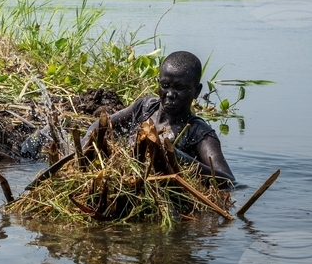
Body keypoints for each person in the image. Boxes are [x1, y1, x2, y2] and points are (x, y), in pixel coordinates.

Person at [85, 51, 236, 185]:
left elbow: (228, 180)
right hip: (127, 181)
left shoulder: (199, 133)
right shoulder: (145, 107)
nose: (170, 94)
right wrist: (84, 148)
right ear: (158, 84)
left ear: (196, 91)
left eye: (180, 88)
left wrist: (177, 156)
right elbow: (100, 125)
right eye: (165, 85)